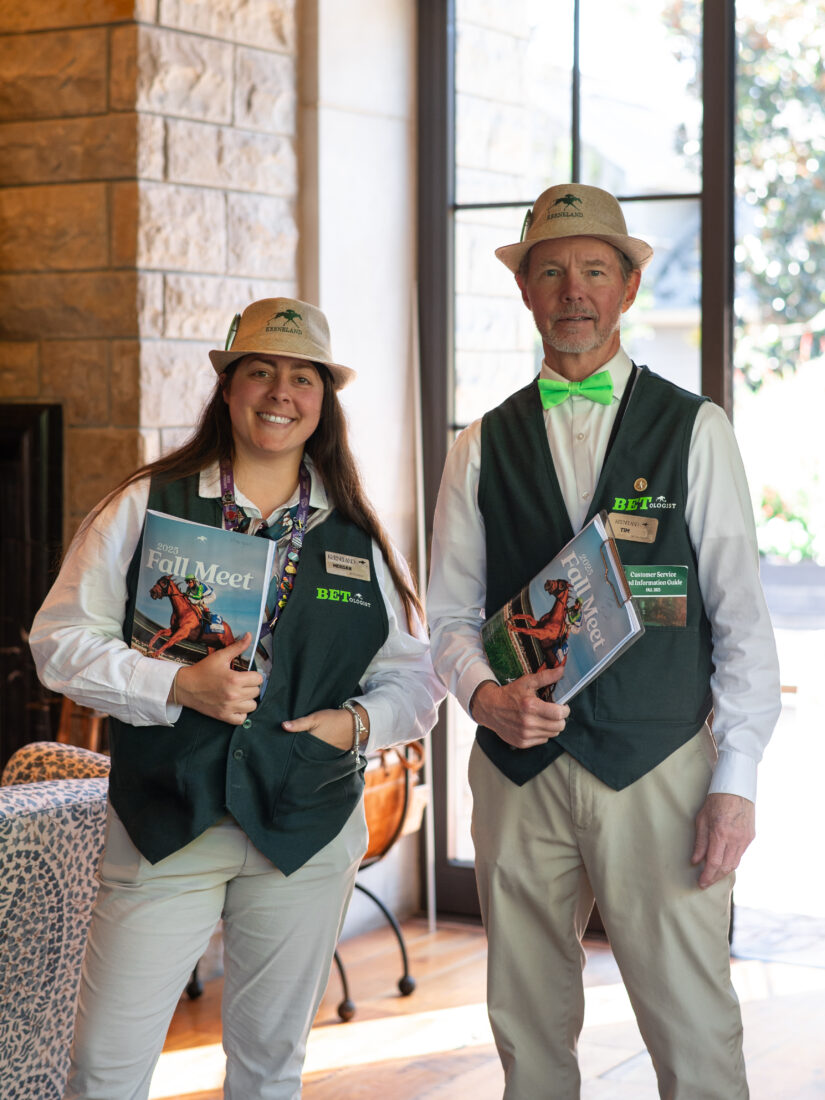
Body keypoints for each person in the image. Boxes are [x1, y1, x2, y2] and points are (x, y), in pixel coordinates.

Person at [30, 296, 444, 1100]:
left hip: (305, 829)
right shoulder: (146, 503)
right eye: (260, 372)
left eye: (301, 378)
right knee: (103, 1069)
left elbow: (414, 677)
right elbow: (58, 642)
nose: (279, 393)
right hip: (164, 825)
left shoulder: (355, 534)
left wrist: (356, 723)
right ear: (227, 388)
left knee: (269, 1068)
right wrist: (174, 684)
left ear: (323, 401)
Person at [426, 183, 781, 1099]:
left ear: (625, 286)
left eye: (592, 270)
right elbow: (450, 616)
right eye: (550, 272)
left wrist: (733, 784)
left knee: (693, 1028)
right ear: (525, 293)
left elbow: (742, 620)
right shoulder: (476, 446)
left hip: (658, 766)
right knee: (527, 1034)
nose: (571, 290)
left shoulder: (695, 430)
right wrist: (478, 696)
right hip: (516, 771)